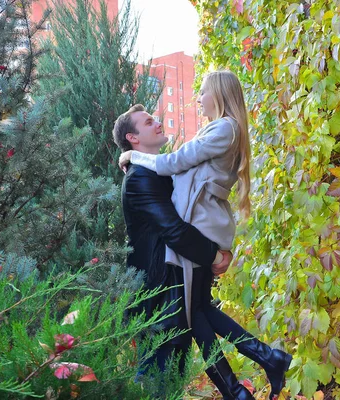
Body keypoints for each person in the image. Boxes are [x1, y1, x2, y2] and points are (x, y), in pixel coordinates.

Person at [119, 70, 292, 400]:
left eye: (203, 91)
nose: (198, 97)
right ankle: (250, 376)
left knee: (196, 311)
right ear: (133, 136)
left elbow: (176, 163)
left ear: (220, 94)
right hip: (196, 234)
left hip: (198, 230)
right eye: (148, 122)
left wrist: (133, 157)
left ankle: (249, 377)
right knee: (197, 310)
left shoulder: (224, 128)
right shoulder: (220, 129)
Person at [112, 104, 233, 385]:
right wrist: (214, 256)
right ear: (133, 137)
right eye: (148, 122)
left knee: (172, 381)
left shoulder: (161, 172)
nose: (157, 123)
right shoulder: (139, 178)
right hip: (159, 300)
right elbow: (174, 230)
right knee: (158, 382)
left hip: (174, 293)